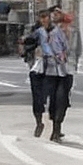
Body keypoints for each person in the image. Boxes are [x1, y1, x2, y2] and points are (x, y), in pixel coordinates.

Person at [40, 7, 77, 142]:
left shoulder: (74, 33)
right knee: (53, 100)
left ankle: (57, 128)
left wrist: (70, 61)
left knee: (63, 100)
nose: (64, 26)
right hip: (52, 71)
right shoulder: (52, 33)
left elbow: (77, 50)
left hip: (67, 71)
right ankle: (55, 125)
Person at [20, 9, 51, 137]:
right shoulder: (33, 31)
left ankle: (56, 127)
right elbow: (24, 44)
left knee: (52, 98)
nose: (44, 20)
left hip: (52, 69)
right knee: (37, 99)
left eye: (46, 17)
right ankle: (39, 122)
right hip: (36, 68)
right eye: (41, 17)